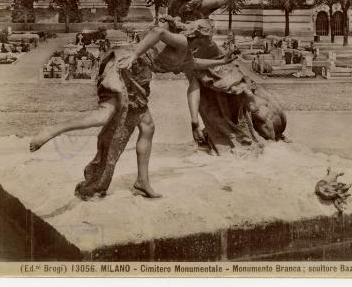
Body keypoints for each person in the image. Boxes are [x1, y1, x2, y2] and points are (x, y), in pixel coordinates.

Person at [29, 16, 237, 199]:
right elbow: (158, 32)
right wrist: (136, 55)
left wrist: (221, 60)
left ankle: (142, 181)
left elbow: (193, 64)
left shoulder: (187, 51)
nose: (210, 42)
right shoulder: (182, 41)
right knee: (106, 114)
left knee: (147, 127)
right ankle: (52, 130)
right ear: (200, 37)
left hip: (137, 75)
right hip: (129, 69)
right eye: (209, 38)